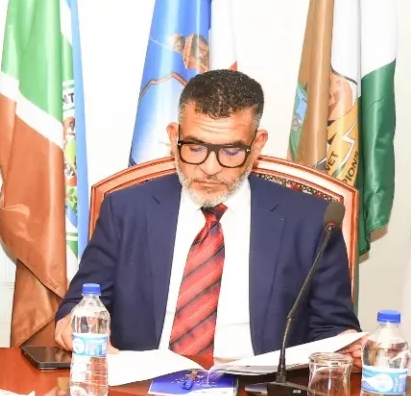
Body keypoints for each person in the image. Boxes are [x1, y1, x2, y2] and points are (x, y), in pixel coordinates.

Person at [55, 69, 359, 364]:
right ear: (174, 137)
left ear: (257, 146)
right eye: (196, 147)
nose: (210, 168)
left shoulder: (309, 222)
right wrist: (73, 324)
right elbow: (82, 305)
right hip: (145, 391)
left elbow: (331, 329)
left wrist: (348, 344)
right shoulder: (126, 210)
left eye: (230, 151)